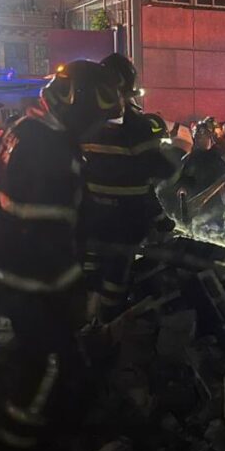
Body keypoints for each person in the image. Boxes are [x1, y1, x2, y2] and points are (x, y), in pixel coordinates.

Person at [0, 59, 123, 451]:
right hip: (33, 280)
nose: (97, 128)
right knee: (47, 365)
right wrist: (76, 291)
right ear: (76, 106)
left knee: (53, 361)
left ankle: (52, 437)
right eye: (95, 118)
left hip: (9, 265)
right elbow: (47, 234)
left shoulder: (28, 129)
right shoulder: (51, 151)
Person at [79, 53, 178, 322]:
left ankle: (84, 324)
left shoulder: (83, 122)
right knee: (115, 276)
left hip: (89, 214)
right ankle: (108, 329)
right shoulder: (138, 126)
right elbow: (154, 174)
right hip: (124, 219)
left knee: (91, 272)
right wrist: (161, 219)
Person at [178, 124, 225, 198]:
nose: (198, 140)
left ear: (209, 137)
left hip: (216, 198)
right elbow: (186, 177)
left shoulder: (219, 155)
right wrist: (183, 187)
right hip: (197, 198)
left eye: (201, 137)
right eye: (197, 138)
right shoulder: (191, 157)